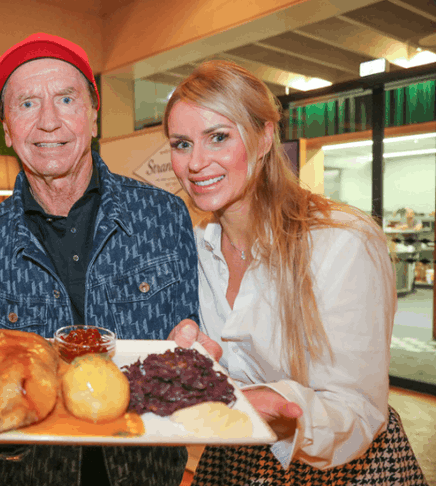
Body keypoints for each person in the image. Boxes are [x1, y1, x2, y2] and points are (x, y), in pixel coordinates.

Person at [0, 33, 219, 486]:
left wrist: (193, 350)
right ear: (5, 128)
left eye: (65, 98)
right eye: (26, 104)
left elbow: (189, 348)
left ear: (93, 116)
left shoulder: (163, 215)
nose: (48, 122)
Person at [164, 60, 427, 484]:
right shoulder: (194, 246)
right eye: (181, 144)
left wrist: (280, 406)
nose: (196, 163)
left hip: (344, 468)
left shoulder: (341, 240)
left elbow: (359, 410)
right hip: (234, 462)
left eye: (218, 137)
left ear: (265, 136)